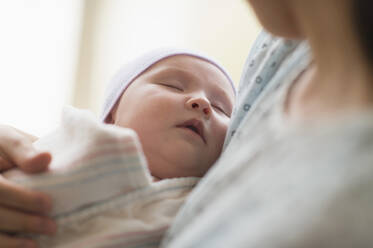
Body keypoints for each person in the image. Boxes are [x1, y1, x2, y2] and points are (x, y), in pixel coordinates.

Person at [0, 48, 235, 248]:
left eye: (221, 108)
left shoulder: (209, 207)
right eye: (172, 86)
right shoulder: (78, 140)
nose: (202, 103)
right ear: (112, 114)